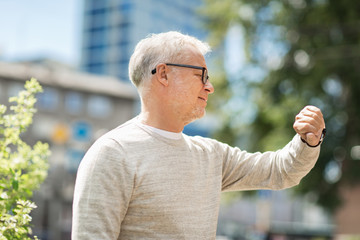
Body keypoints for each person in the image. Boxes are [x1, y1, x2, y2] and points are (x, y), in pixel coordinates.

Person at [72, 31, 326, 239]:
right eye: (200, 74)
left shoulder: (211, 155)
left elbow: (281, 171)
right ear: (163, 74)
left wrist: (308, 140)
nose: (210, 86)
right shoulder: (112, 153)